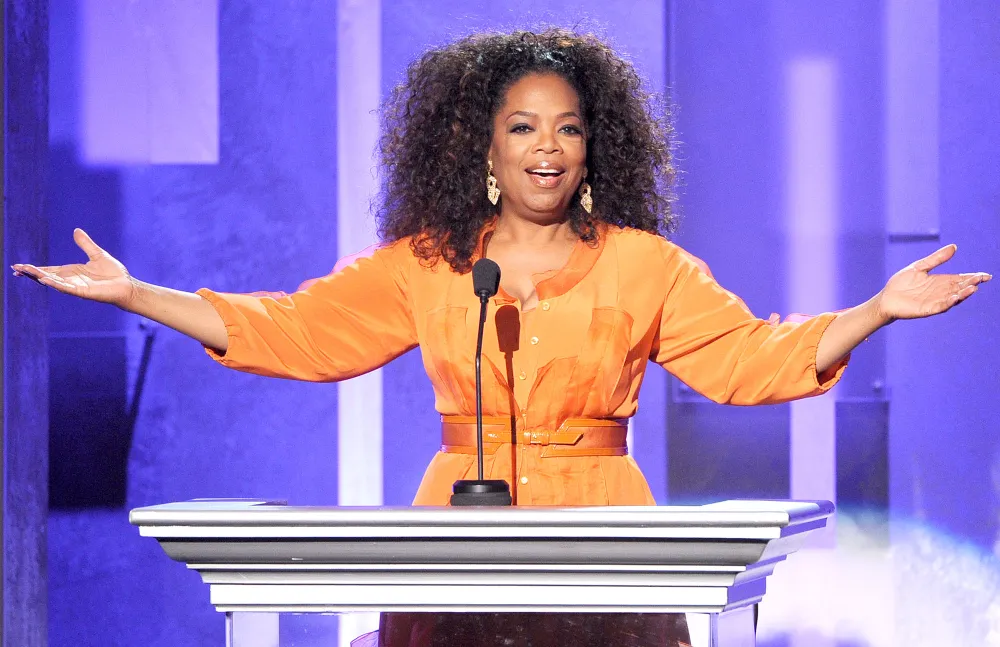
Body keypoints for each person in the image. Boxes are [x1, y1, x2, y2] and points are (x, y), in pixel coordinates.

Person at [15, 28, 989, 647]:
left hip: (607, 526)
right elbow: (298, 332)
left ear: (593, 144)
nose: (546, 148)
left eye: (566, 128)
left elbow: (749, 360)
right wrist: (140, 292)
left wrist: (872, 308)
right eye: (522, 128)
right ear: (481, 147)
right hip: (456, 526)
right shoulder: (430, 259)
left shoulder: (644, 263)